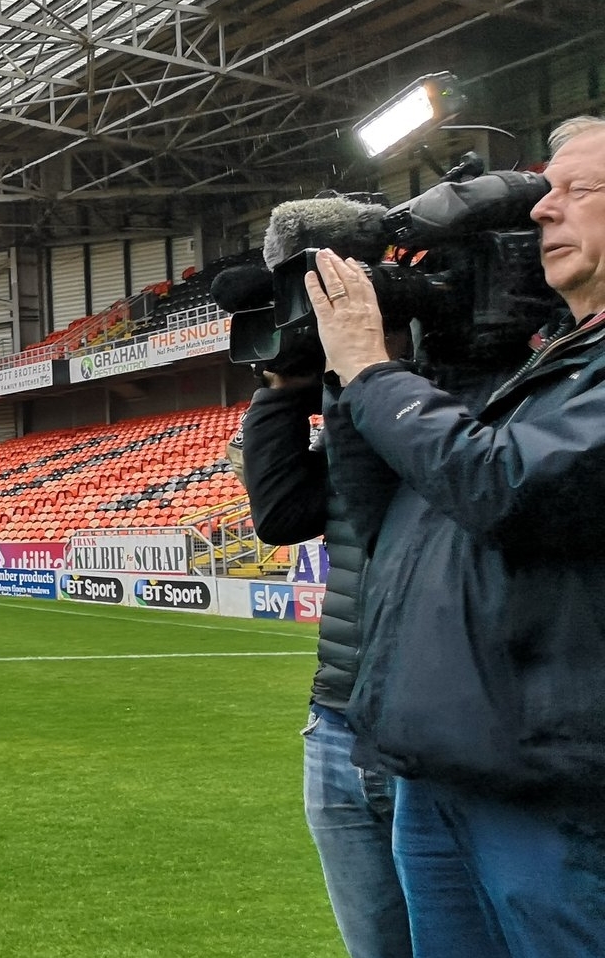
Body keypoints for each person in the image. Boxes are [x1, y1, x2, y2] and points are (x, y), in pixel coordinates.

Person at [309, 115, 605, 958]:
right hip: (444, 773)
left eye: (576, 190)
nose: (545, 211)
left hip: (552, 792)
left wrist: (373, 369)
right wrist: (357, 374)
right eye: (542, 192)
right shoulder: (544, 368)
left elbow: (500, 485)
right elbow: (384, 515)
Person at [240, 362, 412, 958]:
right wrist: (283, 395)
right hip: (336, 718)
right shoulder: (351, 416)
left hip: (436, 730)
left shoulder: (456, 405)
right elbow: (282, 515)